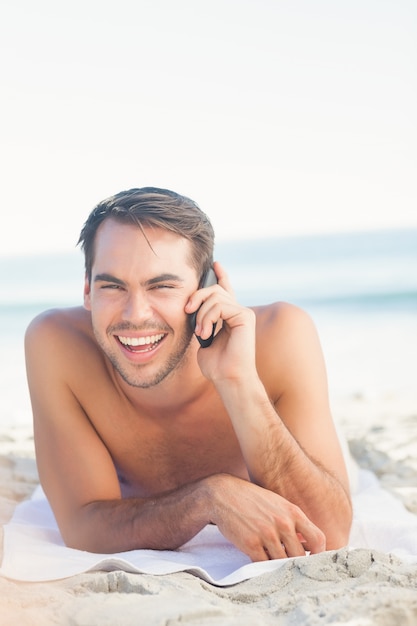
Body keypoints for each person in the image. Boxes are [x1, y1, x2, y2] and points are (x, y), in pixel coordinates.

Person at [25, 186, 352, 561]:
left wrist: (238, 381)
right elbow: (83, 525)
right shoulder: (56, 343)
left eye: (162, 285)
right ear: (87, 291)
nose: (135, 314)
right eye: (112, 286)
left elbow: (330, 532)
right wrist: (208, 498)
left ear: (207, 289)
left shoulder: (281, 335)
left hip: (298, 440)